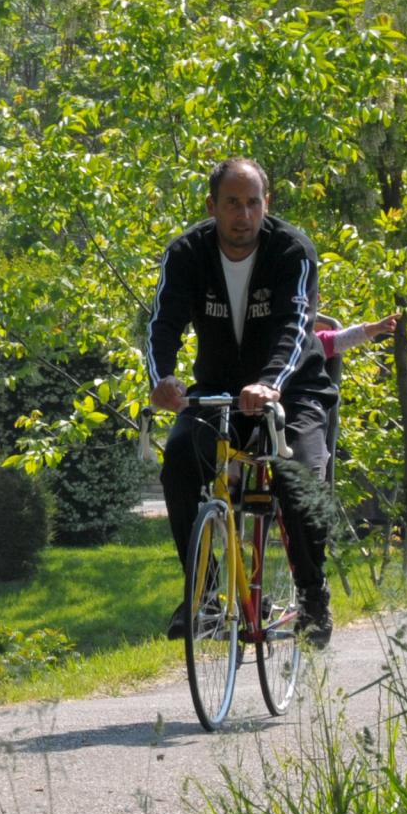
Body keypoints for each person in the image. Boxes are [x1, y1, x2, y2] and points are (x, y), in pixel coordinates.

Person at [147, 158, 337, 646]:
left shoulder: (292, 250)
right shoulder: (187, 253)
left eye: (253, 203)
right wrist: (163, 378)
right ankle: (206, 592)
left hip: (294, 389)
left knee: (299, 483)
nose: (243, 214)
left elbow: (296, 325)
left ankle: (313, 595)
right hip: (219, 394)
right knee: (180, 464)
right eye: (232, 203)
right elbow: (163, 323)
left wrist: (272, 381)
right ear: (212, 207)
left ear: (266, 204)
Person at [314, 309, 400, 478]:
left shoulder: (312, 341)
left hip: (297, 415)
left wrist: (376, 327)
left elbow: (341, 338)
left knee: (313, 460)